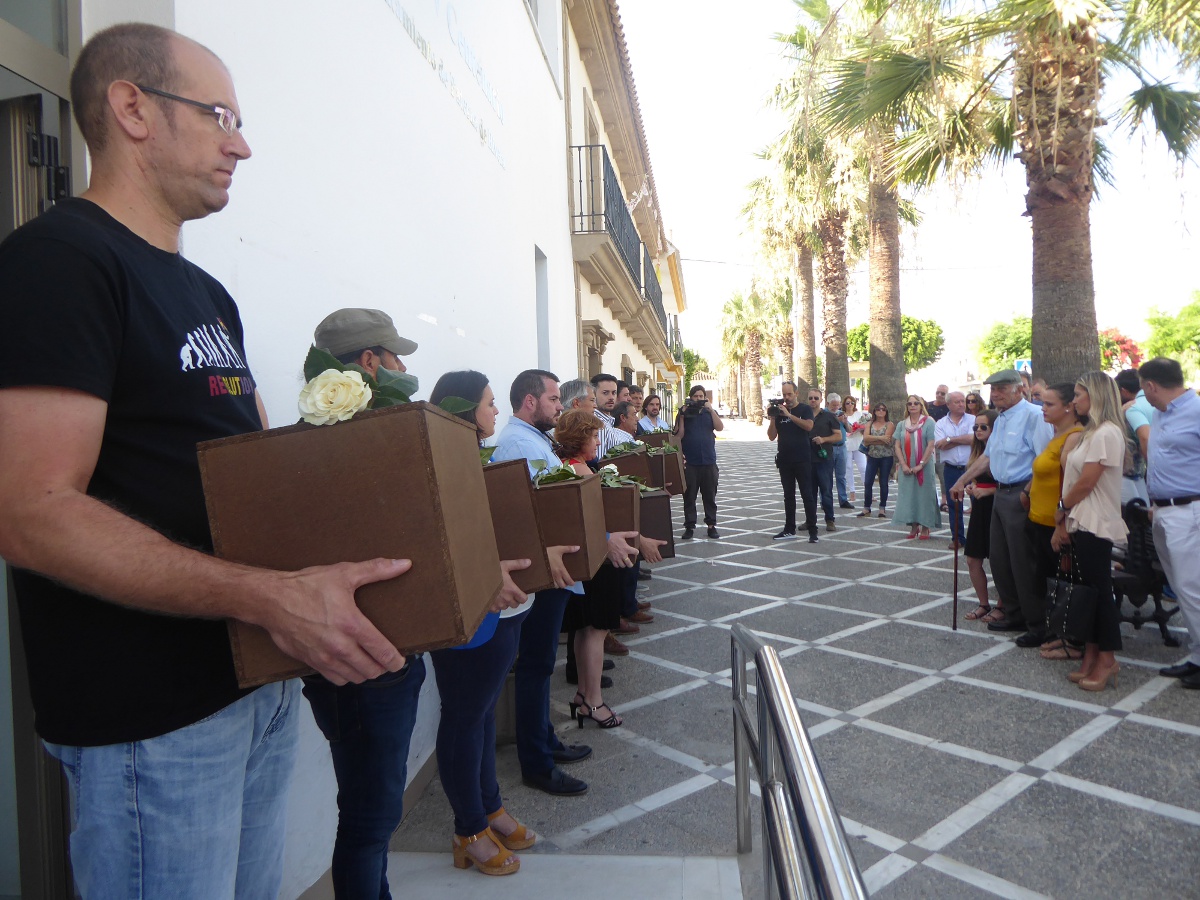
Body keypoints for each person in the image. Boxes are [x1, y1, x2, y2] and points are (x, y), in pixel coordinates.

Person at [0, 24, 411, 896]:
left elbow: (256, 478)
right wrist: (268, 596)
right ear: (132, 108)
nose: (242, 143)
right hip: (150, 725)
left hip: (251, 687)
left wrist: (446, 555)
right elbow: (29, 512)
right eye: (220, 114)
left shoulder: (202, 290)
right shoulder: (58, 263)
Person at [302, 314, 527, 896]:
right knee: (370, 818)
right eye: (395, 359)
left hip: (387, 653)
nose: (405, 370)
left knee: (371, 817)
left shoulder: (323, 448)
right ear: (370, 363)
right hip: (366, 658)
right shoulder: (365, 450)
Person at [492, 370, 634, 797]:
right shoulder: (519, 443)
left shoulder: (533, 441)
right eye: (555, 399)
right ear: (531, 402)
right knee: (535, 668)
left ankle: (546, 742)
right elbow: (541, 512)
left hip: (555, 570)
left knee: (539, 668)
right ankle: (536, 761)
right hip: (545, 570)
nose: (562, 406)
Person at [427, 370, 535, 877]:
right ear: (464, 410)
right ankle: (467, 828)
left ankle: (490, 807)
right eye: (489, 404)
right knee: (464, 717)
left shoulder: (482, 459)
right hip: (472, 611)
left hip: (507, 608)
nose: (495, 412)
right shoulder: (438, 464)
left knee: (486, 713)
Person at [951, 369, 1053, 636]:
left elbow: (1044, 460)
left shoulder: (1033, 417)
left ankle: (1036, 623)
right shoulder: (1002, 418)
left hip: (1021, 492)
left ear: (1020, 389)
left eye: (1001, 389)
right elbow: (988, 457)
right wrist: (962, 480)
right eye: (993, 390)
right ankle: (1013, 612)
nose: (995, 395)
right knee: (1000, 558)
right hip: (1001, 493)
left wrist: (1028, 493)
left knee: (1023, 561)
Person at [1052, 372, 1129, 691]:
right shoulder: (1090, 432)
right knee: (1088, 591)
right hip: (1082, 519)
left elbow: (1087, 481)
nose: (1075, 401)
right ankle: (1093, 653)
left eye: (1080, 395)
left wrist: (1062, 506)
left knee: (1099, 594)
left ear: (1095, 397)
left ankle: (1107, 658)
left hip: (1094, 520)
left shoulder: (1107, 433)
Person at [556, 409, 627, 730]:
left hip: (588, 561)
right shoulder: (579, 471)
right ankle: (593, 701)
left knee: (585, 630)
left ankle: (583, 695)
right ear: (580, 438)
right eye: (594, 435)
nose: (598, 441)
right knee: (595, 631)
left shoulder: (570, 466)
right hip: (596, 560)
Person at [1140, 357, 1200, 689]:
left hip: (1189, 511)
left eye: (1144, 389)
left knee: (1192, 587)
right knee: (1181, 586)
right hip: (1163, 511)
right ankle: (1197, 655)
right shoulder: (1160, 414)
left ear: (1151, 386)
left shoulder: (1196, 411)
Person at [1019, 383, 1083, 650]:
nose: (1042, 408)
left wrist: (1061, 524)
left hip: (1054, 523)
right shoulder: (1056, 435)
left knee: (1062, 580)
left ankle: (1065, 633)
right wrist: (1027, 490)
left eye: (1049, 404)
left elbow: (1071, 482)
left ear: (1068, 406)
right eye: (1042, 403)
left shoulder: (1075, 436)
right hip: (1037, 518)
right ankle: (1045, 628)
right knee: (1041, 578)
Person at [767, 381, 818, 543]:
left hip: (802, 459)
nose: (786, 398)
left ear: (796, 394)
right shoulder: (779, 413)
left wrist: (789, 415)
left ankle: (813, 529)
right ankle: (789, 529)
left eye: (789, 394)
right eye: (784, 395)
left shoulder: (804, 409)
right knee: (788, 496)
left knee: (807, 495)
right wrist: (773, 419)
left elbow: (809, 426)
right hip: (785, 460)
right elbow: (771, 436)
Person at [963, 411, 1000, 621]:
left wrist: (988, 491)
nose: (978, 430)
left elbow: (1013, 483)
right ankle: (983, 603)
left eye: (983, 427)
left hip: (998, 503)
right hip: (980, 506)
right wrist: (972, 485)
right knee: (972, 559)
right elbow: (976, 476)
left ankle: (1003, 605)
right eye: (975, 427)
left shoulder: (1001, 449)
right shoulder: (976, 449)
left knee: (998, 559)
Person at [675, 384, 724, 539]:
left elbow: (720, 427)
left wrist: (710, 410)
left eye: (701, 396)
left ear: (705, 398)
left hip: (709, 461)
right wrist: (682, 416)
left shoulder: (710, 412)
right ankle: (689, 526)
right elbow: (678, 435)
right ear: (690, 398)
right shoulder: (684, 412)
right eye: (695, 396)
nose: (698, 399)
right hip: (690, 462)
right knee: (689, 496)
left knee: (710, 495)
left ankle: (711, 525)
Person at [892, 395, 941, 540]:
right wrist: (904, 464)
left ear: (921, 406)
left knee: (925, 495)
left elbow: (931, 444)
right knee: (909, 496)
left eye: (916, 403)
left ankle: (926, 526)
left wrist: (920, 465)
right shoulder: (902, 424)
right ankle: (914, 526)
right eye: (909, 403)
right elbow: (897, 446)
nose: (912, 406)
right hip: (906, 466)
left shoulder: (929, 422)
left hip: (924, 466)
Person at [934, 391, 975, 549]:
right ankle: (957, 538)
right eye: (957, 402)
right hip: (951, 468)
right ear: (948, 404)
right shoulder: (941, 424)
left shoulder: (973, 420)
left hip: (971, 467)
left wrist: (950, 439)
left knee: (976, 503)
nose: (961, 404)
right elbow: (939, 444)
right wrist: (963, 440)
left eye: (962, 401)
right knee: (953, 504)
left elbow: (974, 439)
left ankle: (977, 537)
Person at [807, 387, 843, 531]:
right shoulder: (804, 416)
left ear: (822, 400)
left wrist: (823, 439)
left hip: (824, 459)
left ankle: (830, 520)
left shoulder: (829, 417)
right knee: (809, 493)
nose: (813, 400)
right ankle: (810, 521)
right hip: (807, 460)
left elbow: (839, 436)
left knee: (826, 491)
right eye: (810, 398)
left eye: (816, 398)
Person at [1114, 368, 1151, 505]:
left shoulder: (1131, 409)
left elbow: (1144, 439)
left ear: (1123, 391)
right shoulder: (1153, 403)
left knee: (1134, 515)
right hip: (1139, 472)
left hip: (1126, 473)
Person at [857, 402, 895, 518]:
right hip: (872, 456)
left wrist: (873, 439)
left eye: (883, 409)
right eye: (878, 409)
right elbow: (865, 439)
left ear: (886, 412)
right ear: (874, 411)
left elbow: (888, 440)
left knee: (883, 482)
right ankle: (866, 507)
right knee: (868, 482)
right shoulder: (870, 423)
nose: (880, 411)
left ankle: (882, 508)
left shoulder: (890, 424)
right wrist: (880, 438)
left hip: (886, 456)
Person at [591, 373, 629, 457]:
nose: (611, 397)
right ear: (593, 394)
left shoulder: (608, 422)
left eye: (614, 393)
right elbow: (599, 461)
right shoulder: (597, 424)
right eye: (605, 393)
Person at [827, 392, 854, 509]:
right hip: (829, 447)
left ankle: (843, 500)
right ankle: (825, 500)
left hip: (842, 446)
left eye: (837, 405)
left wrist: (845, 422)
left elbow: (849, 429)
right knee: (827, 476)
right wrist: (836, 420)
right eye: (833, 405)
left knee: (841, 475)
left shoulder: (841, 414)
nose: (835, 407)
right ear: (828, 404)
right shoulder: (824, 414)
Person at [840, 396, 869, 504]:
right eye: (847, 403)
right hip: (847, 444)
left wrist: (861, 429)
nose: (850, 405)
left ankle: (868, 491)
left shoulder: (859, 414)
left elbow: (864, 427)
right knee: (848, 468)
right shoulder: (842, 415)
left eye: (852, 403)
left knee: (863, 467)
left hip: (858, 443)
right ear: (844, 404)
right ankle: (852, 491)